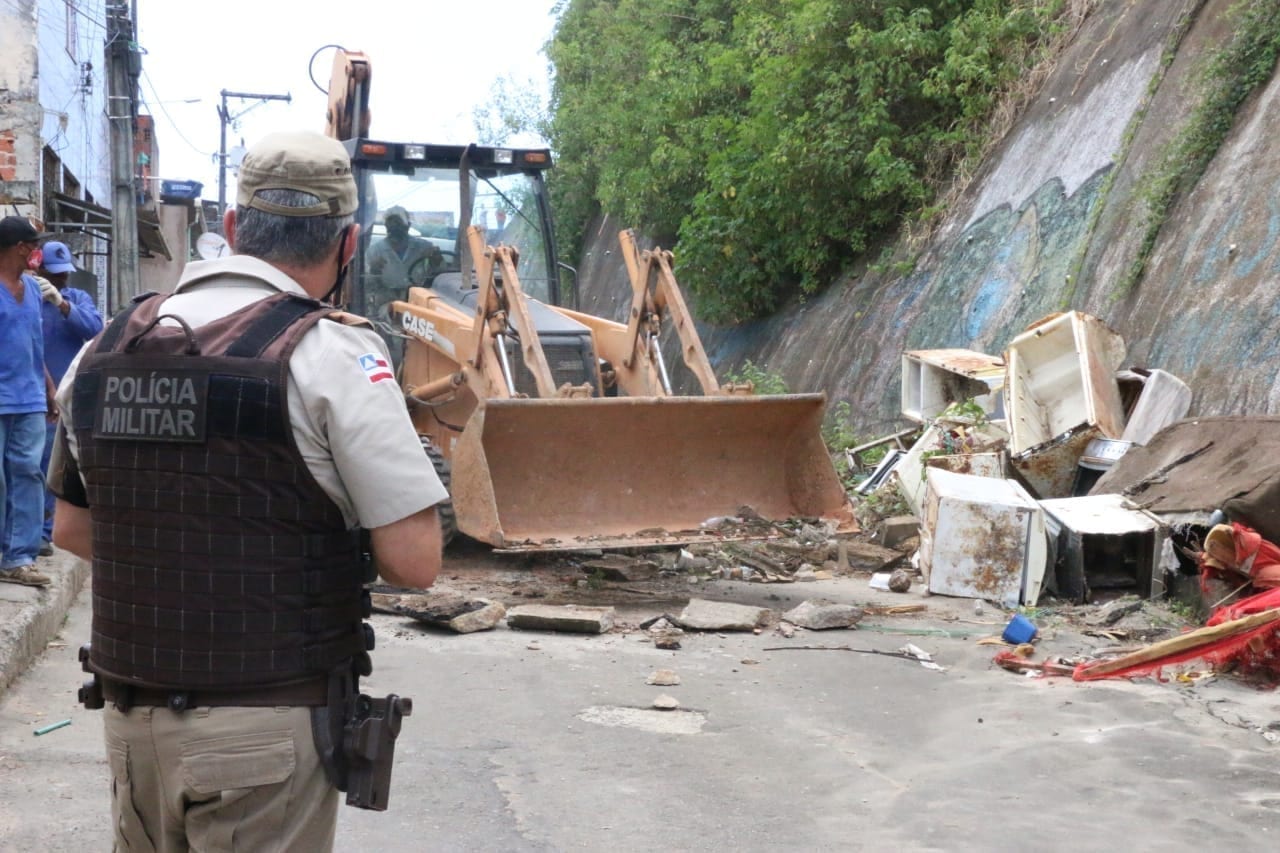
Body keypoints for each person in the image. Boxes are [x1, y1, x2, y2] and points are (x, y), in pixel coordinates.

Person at [49, 130, 446, 850]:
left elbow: (73, 531)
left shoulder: (102, 350)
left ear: (232, 229)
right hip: (267, 729)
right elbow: (414, 559)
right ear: (349, 244)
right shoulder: (333, 354)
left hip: (132, 722)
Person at [36, 241, 103, 556]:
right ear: (40, 268)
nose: (63, 279)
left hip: (65, 400)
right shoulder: (26, 297)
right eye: (57, 274)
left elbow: (95, 329)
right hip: (29, 395)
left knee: (54, 468)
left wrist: (62, 303)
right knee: (26, 468)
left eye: (66, 274)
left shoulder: (77, 298)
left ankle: (44, 532)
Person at [0, 216, 56, 588]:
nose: (37, 251)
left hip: (30, 399)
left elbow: (36, 346)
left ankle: (19, 557)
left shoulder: (33, 290)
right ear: (21, 248)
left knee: (28, 474)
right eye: (34, 245)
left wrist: (50, 389)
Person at [365, 204, 443, 308]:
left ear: (408, 226)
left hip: (420, 303)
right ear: (386, 226)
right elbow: (365, 286)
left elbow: (441, 276)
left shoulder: (424, 247)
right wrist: (374, 270)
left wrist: (437, 260)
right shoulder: (374, 251)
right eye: (391, 224)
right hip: (387, 304)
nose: (394, 228)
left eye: (398, 223)